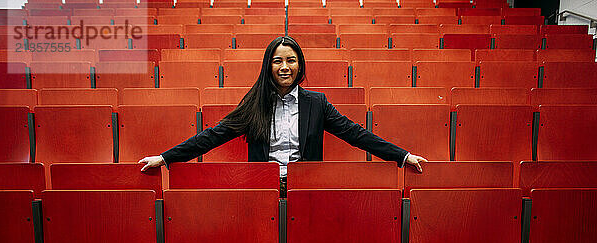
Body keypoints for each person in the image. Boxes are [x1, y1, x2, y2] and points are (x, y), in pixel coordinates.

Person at [139, 36, 427, 185]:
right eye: (278, 61)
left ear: (299, 65)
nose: (285, 67)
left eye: (291, 60)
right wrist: (165, 158)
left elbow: (356, 134)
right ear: (269, 66)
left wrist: (402, 156)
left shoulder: (317, 103)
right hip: (263, 187)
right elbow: (212, 136)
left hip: (306, 186)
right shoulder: (254, 104)